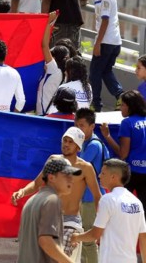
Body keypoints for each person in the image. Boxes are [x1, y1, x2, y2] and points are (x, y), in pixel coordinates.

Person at [12, 127, 102, 262]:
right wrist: (23, 191)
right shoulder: (54, 160)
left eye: (70, 142)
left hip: (71, 222)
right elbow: (37, 183)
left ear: (78, 146)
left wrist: (100, 225)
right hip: (51, 218)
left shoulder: (86, 168)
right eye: (64, 141)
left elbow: (97, 196)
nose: (66, 144)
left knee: (58, 257)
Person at [71, 159, 146, 263]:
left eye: (103, 173)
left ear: (113, 177)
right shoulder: (137, 203)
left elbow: (95, 234)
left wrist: (75, 237)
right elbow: (143, 238)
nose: (99, 176)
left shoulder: (107, 199)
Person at [17, 158, 81, 263]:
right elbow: (46, 241)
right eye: (66, 175)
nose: (71, 180)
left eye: (72, 175)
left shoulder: (32, 200)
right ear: (51, 177)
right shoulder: (52, 200)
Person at [101, 90, 146, 217]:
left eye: (122, 105)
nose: (120, 108)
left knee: (125, 211)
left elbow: (123, 154)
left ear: (129, 106)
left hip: (133, 173)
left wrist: (107, 136)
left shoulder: (127, 123)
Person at [74, 108, 109, 263]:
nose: (78, 128)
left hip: (90, 201)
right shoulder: (85, 143)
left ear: (92, 126)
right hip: (85, 199)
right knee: (83, 242)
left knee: (88, 241)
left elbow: (77, 169)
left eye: (82, 125)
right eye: (76, 125)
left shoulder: (94, 145)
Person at [87, 0, 124, 112]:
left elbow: (105, 21)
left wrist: (97, 44)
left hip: (106, 42)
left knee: (94, 73)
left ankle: (95, 105)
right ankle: (120, 95)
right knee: (106, 71)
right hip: (115, 42)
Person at [37, 12, 70, 116]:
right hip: (51, 113)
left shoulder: (53, 68)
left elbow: (44, 45)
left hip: (43, 114)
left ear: (55, 57)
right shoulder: (65, 73)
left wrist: (48, 23)